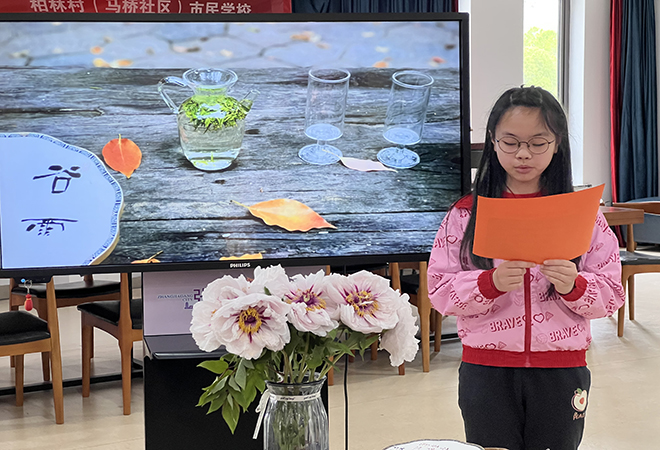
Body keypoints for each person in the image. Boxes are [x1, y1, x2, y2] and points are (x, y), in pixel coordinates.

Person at [427, 86, 625, 450]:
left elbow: (612, 295)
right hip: (486, 369)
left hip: (561, 368)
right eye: (510, 142)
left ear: (557, 143)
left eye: (537, 143)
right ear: (492, 141)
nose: (523, 154)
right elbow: (440, 292)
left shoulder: (582, 215)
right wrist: (488, 283)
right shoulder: (466, 214)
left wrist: (575, 286)